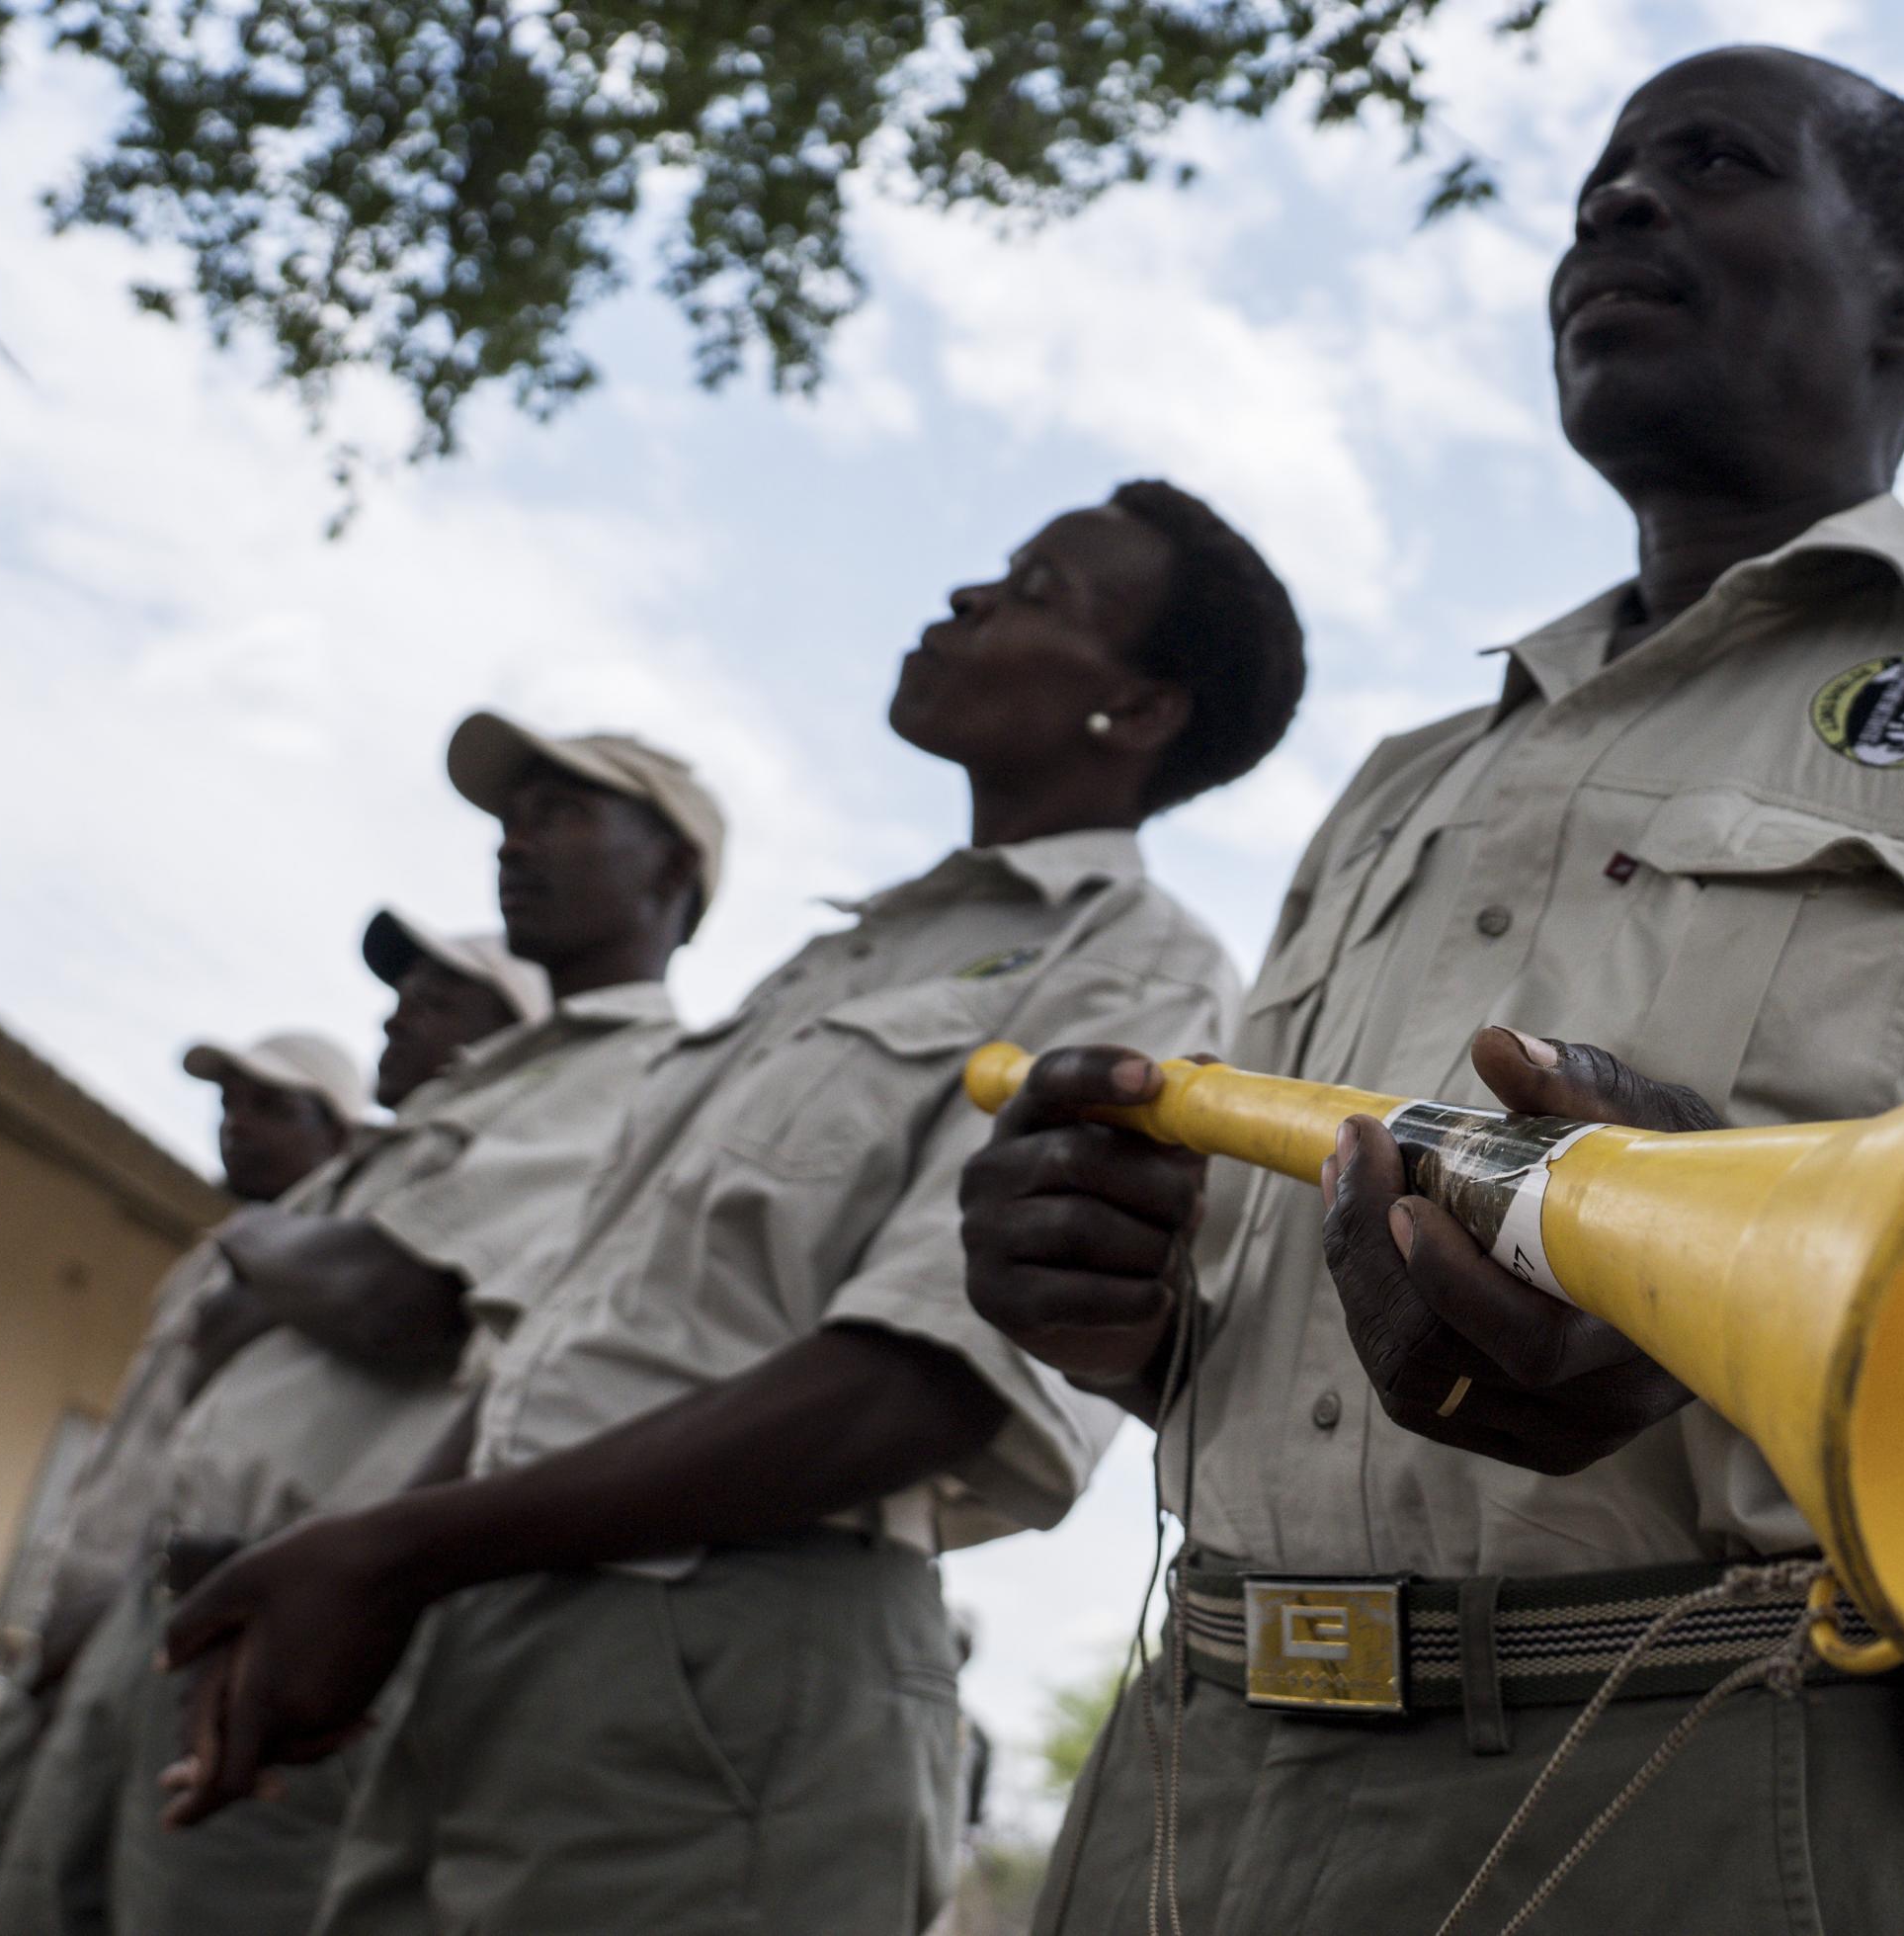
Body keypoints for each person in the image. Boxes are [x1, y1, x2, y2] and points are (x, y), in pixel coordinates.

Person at [963, 46, 1904, 1936]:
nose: (1613, 206)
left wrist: (1698, 1315)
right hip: (1183, 1773)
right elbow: (1265, 1321)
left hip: (1744, 1773)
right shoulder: (1400, 779)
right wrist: (1117, 1304)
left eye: (1712, 162)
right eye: (1598, 179)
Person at [158, 480, 1307, 1936]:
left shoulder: (1135, 974)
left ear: (1137, 710)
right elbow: (558, 1343)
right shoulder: (837, 961)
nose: (966, 599)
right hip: (498, 1610)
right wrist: (390, 1564)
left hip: (722, 1653)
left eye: (1033, 590)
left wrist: (395, 1549)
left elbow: (922, 1382)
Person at [0, 712, 718, 1936]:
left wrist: (264, 1247)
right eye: (508, 818)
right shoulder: (481, 1098)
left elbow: (398, 1299)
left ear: (674, 871)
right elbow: (242, 1328)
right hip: (173, 1592)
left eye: (565, 814)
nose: (514, 842)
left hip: (287, 1619)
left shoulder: (645, 1075)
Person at [0, 1034, 366, 1936]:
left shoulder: (329, 1273)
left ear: (337, 1137)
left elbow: (210, 1486)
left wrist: (119, 1632)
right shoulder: (213, 1258)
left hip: (146, 1643)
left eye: (270, 1107)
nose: (237, 1124)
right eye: (231, 1103)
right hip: (67, 1633)